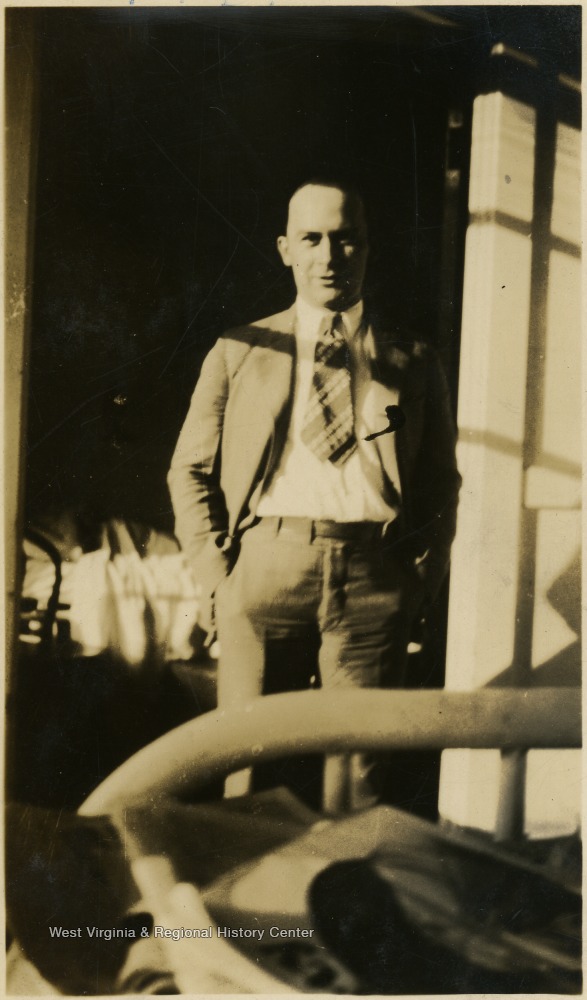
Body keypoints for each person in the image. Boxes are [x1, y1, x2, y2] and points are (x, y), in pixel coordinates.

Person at [168, 178, 461, 811]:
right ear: (285, 249)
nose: (330, 257)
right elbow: (187, 471)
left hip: (372, 580)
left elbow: (442, 481)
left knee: (361, 781)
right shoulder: (241, 351)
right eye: (312, 239)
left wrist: (419, 577)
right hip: (267, 570)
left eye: (346, 239)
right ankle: (252, 912)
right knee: (250, 770)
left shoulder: (412, 357)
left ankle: (339, 906)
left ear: (366, 248)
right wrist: (216, 578)